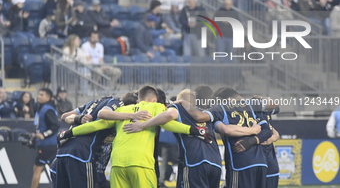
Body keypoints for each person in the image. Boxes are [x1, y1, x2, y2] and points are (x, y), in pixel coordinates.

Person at [57, 85, 213, 188]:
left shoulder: (122, 110)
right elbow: (168, 124)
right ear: (154, 99)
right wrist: (194, 130)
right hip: (141, 164)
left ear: (138, 99)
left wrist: (69, 133)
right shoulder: (156, 107)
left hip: (117, 165)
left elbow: (98, 124)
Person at [177, 87, 274, 188]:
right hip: (261, 163)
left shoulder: (220, 109)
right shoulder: (251, 105)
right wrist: (253, 138)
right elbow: (267, 130)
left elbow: (218, 126)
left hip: (241, 162)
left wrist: (183, 103)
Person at [30, 88, 59, 188]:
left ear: (48, 98)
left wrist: (44, 135)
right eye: (39, 94)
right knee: (54, 170)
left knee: (37, 169)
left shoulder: (47, 110)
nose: (39, 96)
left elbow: (55, 126)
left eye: (42, 95)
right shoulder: (42, 108)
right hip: (50, 145)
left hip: (47, 145)